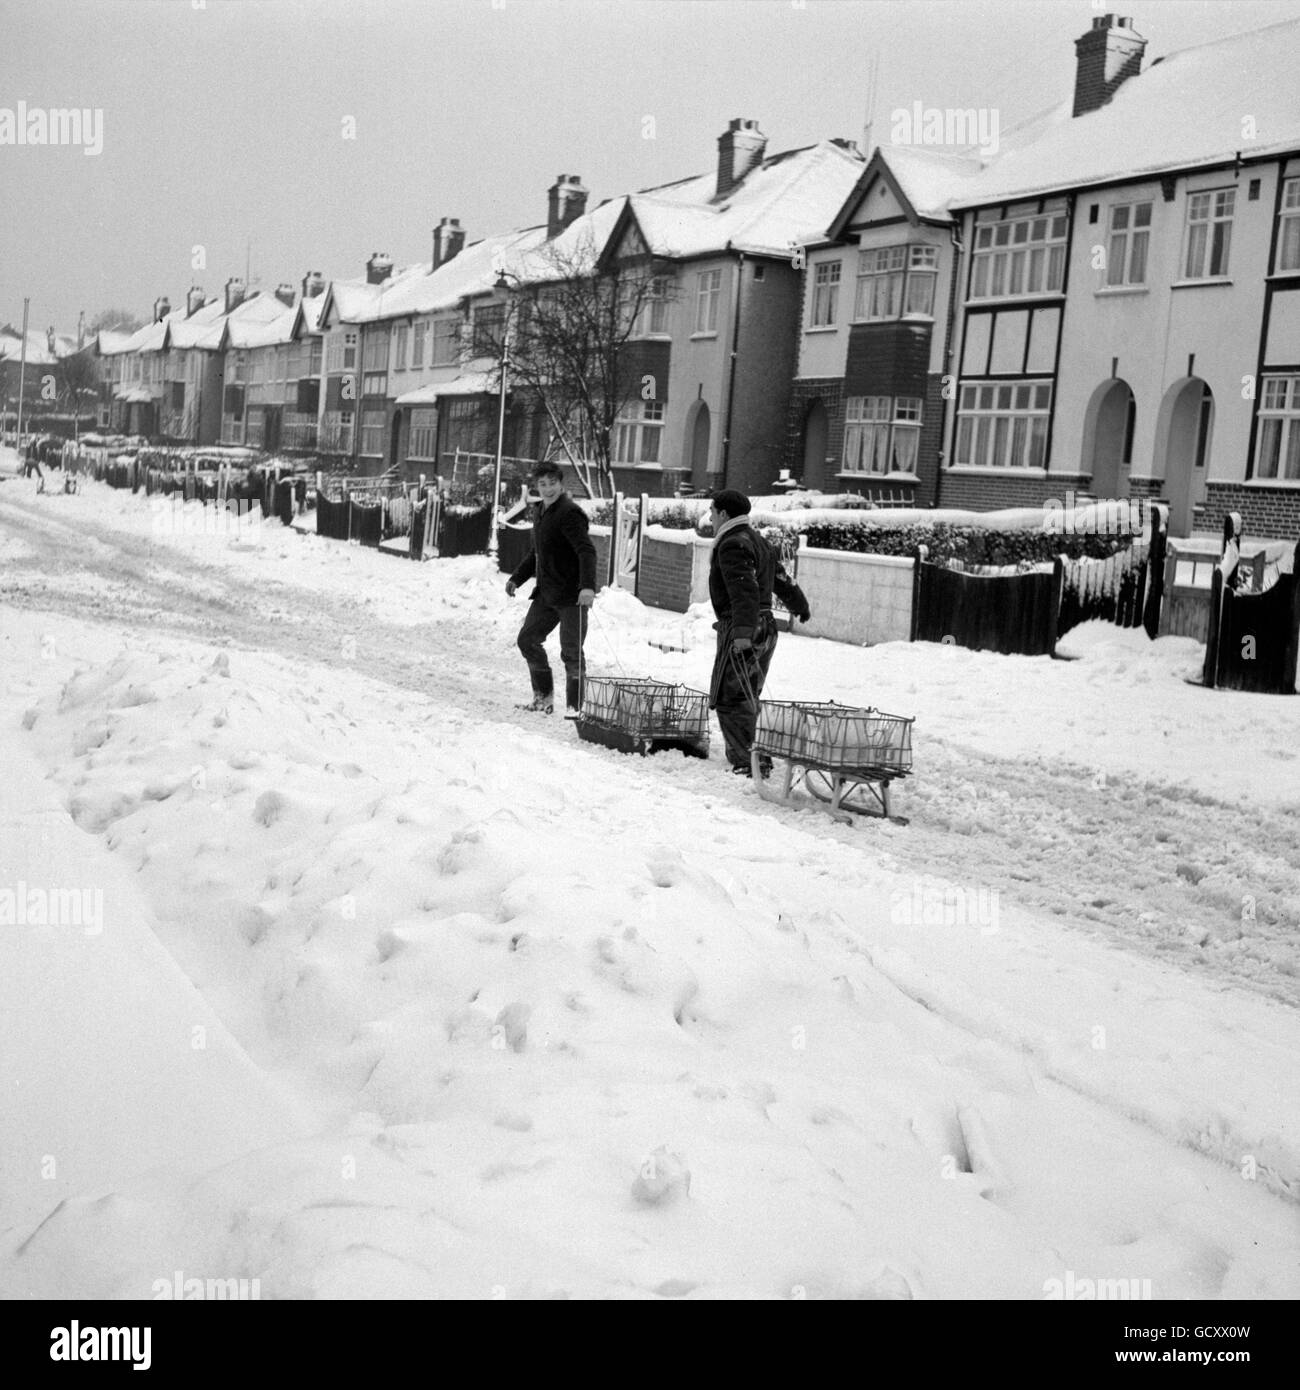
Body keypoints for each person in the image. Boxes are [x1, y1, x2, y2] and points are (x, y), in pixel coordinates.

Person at [707, 489, 810, 776]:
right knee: (747, 692)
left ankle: (748, 761)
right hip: (765, 626)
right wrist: (798, 603)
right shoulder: (757, 541)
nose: (711, 517)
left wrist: (741, 632)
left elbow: (744, 589)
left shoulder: (732, 544)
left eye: (713, 512)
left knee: (730, 695)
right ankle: (754, 756)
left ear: (725, 514)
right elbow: (780, 577)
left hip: (745, 626)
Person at [506, 461, 597, 715]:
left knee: (571, 653)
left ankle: (575, 708)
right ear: (536, 486)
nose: (547, 489)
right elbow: (538, 553)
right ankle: (543, 697)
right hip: (547, 594)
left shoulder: (569, 513)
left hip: (572, 596)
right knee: (527, 639)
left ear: (561, 483)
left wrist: (588, 587)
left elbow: (586, 551)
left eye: (552, 483)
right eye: (542, 484)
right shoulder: (541, 511)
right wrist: (517, 578)